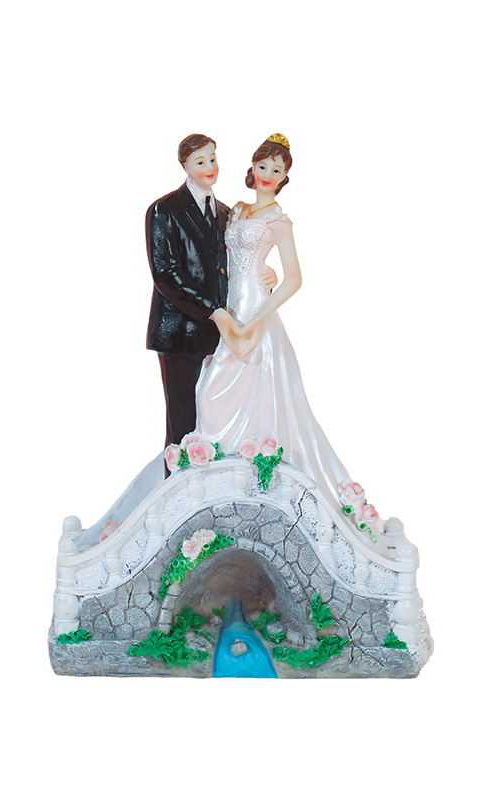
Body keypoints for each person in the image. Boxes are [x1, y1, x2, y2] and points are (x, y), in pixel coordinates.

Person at [195, 134, 386, 552]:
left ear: (284, 178)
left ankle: (256, 470)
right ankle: (218, 473)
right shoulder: (238, 210)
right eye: (263, 166)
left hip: (254, 310)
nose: (268, 174)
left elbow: (295, 278)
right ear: (252, 167)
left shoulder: (278, 220)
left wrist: (262, 307)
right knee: (211, 390)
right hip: (228, 306)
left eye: (277, 170)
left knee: (255, 385)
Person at [145, 134, 277, 456]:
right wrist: (212, 310)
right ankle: (177, 483)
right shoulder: (165, 210)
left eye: (213, 159)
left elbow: (234, 264)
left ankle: (212, 481)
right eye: (200, 161)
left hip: (221, 336)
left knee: (213, 420)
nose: (210, 167)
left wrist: (264, 274)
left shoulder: (225, 213)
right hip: (180, 332)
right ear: (185, 166)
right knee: (183, 421)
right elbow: (166, 273)